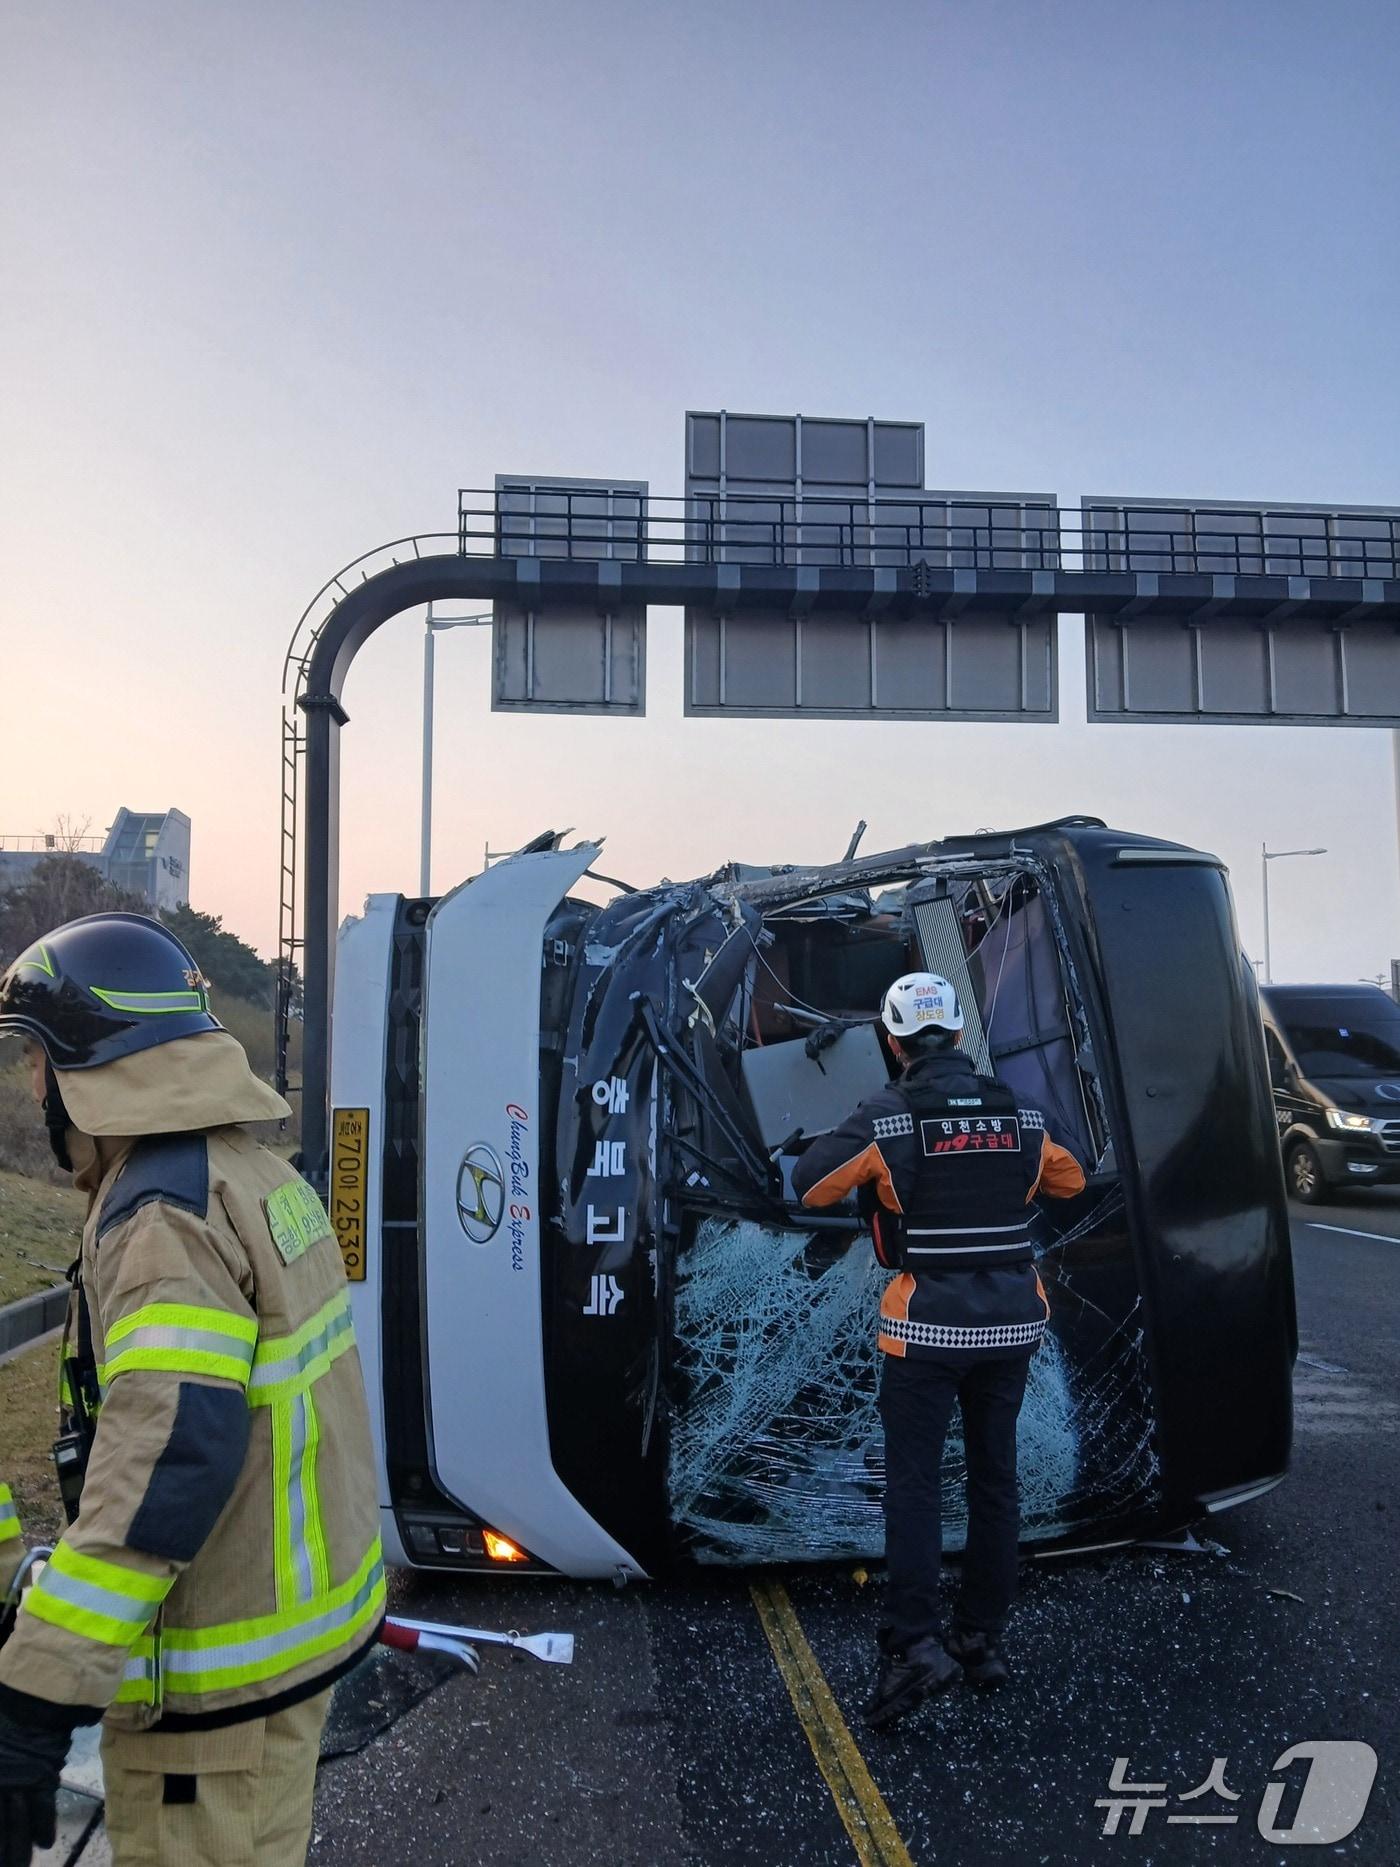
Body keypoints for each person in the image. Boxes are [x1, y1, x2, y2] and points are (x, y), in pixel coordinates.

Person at [0, 912, 383, 1867]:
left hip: (211, 1704)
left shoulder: (162, 1213)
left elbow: (170, 1454)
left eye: (36, 1064)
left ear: (90, 1065)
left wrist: (38, 1696)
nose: (31, 1088)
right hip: (271, 1652)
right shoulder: (244, 1171)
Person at [790, 971, 1085, 1730]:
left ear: (893, 1043)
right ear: (957, 1034)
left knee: (917, 1488)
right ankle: (981, 1639)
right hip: (1012, 1330)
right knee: (996, 1480)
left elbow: (809, 1183)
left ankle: (914, 1646)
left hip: (925, 1333)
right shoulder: (1019, 1113)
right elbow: (1072, 1177)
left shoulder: (888, 1116)